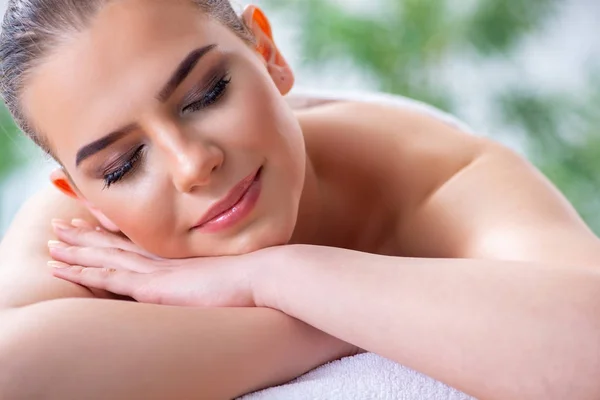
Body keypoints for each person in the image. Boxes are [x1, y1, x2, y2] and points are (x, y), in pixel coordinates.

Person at [0, 1, 599, 399]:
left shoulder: (437, 175)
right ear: (80, 196)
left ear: (269, 54)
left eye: (207, 92)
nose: (191, 164)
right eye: (124, 164)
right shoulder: (82, 238)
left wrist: (279, 276)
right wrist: (326, 325)